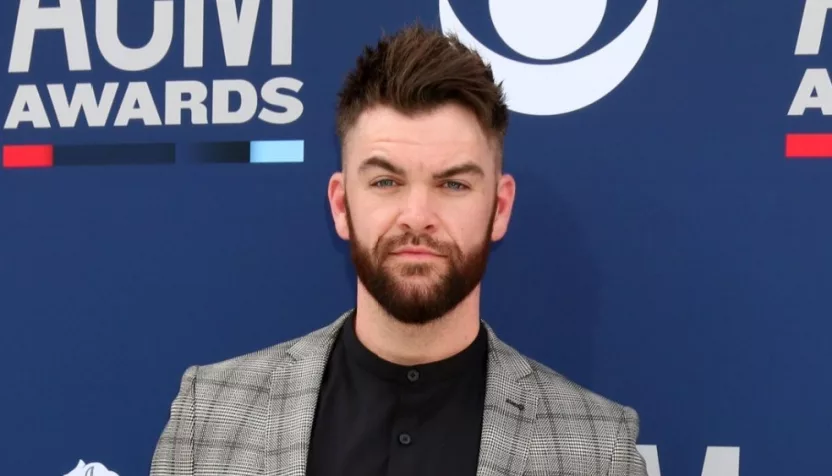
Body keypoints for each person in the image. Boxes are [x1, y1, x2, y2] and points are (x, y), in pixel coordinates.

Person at [149, 23, 647, 476]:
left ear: (499, 208)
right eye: (386, 181)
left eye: (453, 185)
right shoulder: (208, 418)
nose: (416, 214)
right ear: (342, 205)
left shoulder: (599, 448)